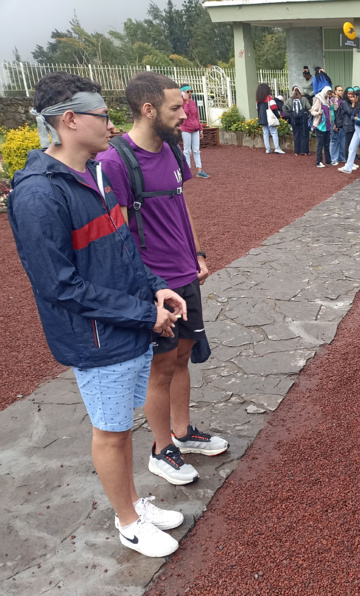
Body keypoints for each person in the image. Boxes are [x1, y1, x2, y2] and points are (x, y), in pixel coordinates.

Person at [9, 71, 187, 558]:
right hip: (97, 338)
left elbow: (122, 245)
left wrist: (155, 288)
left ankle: (133, 503)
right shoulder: (38, 194)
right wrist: (143, 313)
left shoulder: (94, 172)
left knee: (121, 427)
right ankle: (128, 521)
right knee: (110, 433)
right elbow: (59, 286)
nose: (112, 125)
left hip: (124, 326)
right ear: (70, 120)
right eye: (103, 115)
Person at [98, 71, 230, 487]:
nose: (185, 114)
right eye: (176, 107)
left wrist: (197, 254)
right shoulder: (115, 161)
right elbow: (117, 234)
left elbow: (180, 205)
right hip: (154, 285)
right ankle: (161, 449)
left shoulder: (172, 149)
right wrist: (148, 288)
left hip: (185, 273)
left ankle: (183, 432)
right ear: (148, 109)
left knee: (183, 356)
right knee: (160, 367)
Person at [179, 85, 209, 178]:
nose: (190, 93)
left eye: (190, 91)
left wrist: (200, 129)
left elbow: (196, 116)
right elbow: (185, 114)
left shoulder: (193, 102)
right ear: (182, 92)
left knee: (196, 150)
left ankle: (199, 170)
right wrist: (186, 102)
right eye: (187, 91)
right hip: (186, 129)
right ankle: (187, 170)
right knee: (187, 150)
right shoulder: (180, 103)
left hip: (195, 129)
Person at [255, 83, 285, 155]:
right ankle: (277, 148)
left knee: (265, 133)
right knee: (274, 132)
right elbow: (274, 108)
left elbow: (257, 109)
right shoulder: (269, 98)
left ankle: (268, 149)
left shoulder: (258, 100)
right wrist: (278, 116)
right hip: (270, 118)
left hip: (262, 118)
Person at [310, 85, 334, 167]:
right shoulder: (318, 99)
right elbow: (312, 110)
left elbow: (335, 107)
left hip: (327, 125)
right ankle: (319, 161)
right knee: (320, 144)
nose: (328, 95)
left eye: (330, 94)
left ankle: (328, 161)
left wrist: (334, 98)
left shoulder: (328, 101)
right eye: (328, 93)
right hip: (320, 125)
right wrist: (318, 113)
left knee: (327, 144)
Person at [289, 86, 312, 156]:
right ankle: (305, 151)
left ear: (293, 91)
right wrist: (308, 114)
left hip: (294, 119)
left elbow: (284, 108)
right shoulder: (304, 98)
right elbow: (309, 107)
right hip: (303, 118)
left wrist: (291, 115)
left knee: (296, 134)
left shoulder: (290, 99)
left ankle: (297, 151)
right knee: (304, 133)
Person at [336, 87, 356, 164]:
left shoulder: (352, 102)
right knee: (348, 144)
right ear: (346, 94)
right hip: (347, 125)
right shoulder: (344, 102)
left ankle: (351, 161)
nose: (350, 95)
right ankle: (348, 161)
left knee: (352, 144)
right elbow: (349, 112)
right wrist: (353, 103)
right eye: (349, 94)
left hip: (353, 125)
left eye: (352, 94)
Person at [329, 86, 346, 163]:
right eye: (339, 90)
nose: (341, 92)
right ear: (335, 91)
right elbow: (332, 113)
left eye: (342, 90)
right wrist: (334, 124)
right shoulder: (332, 101)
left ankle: (341, 157)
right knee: (334, 140)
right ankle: (333, 158)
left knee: (342, 141)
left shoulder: (343, 101)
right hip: (334, 122)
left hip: (342, 123)